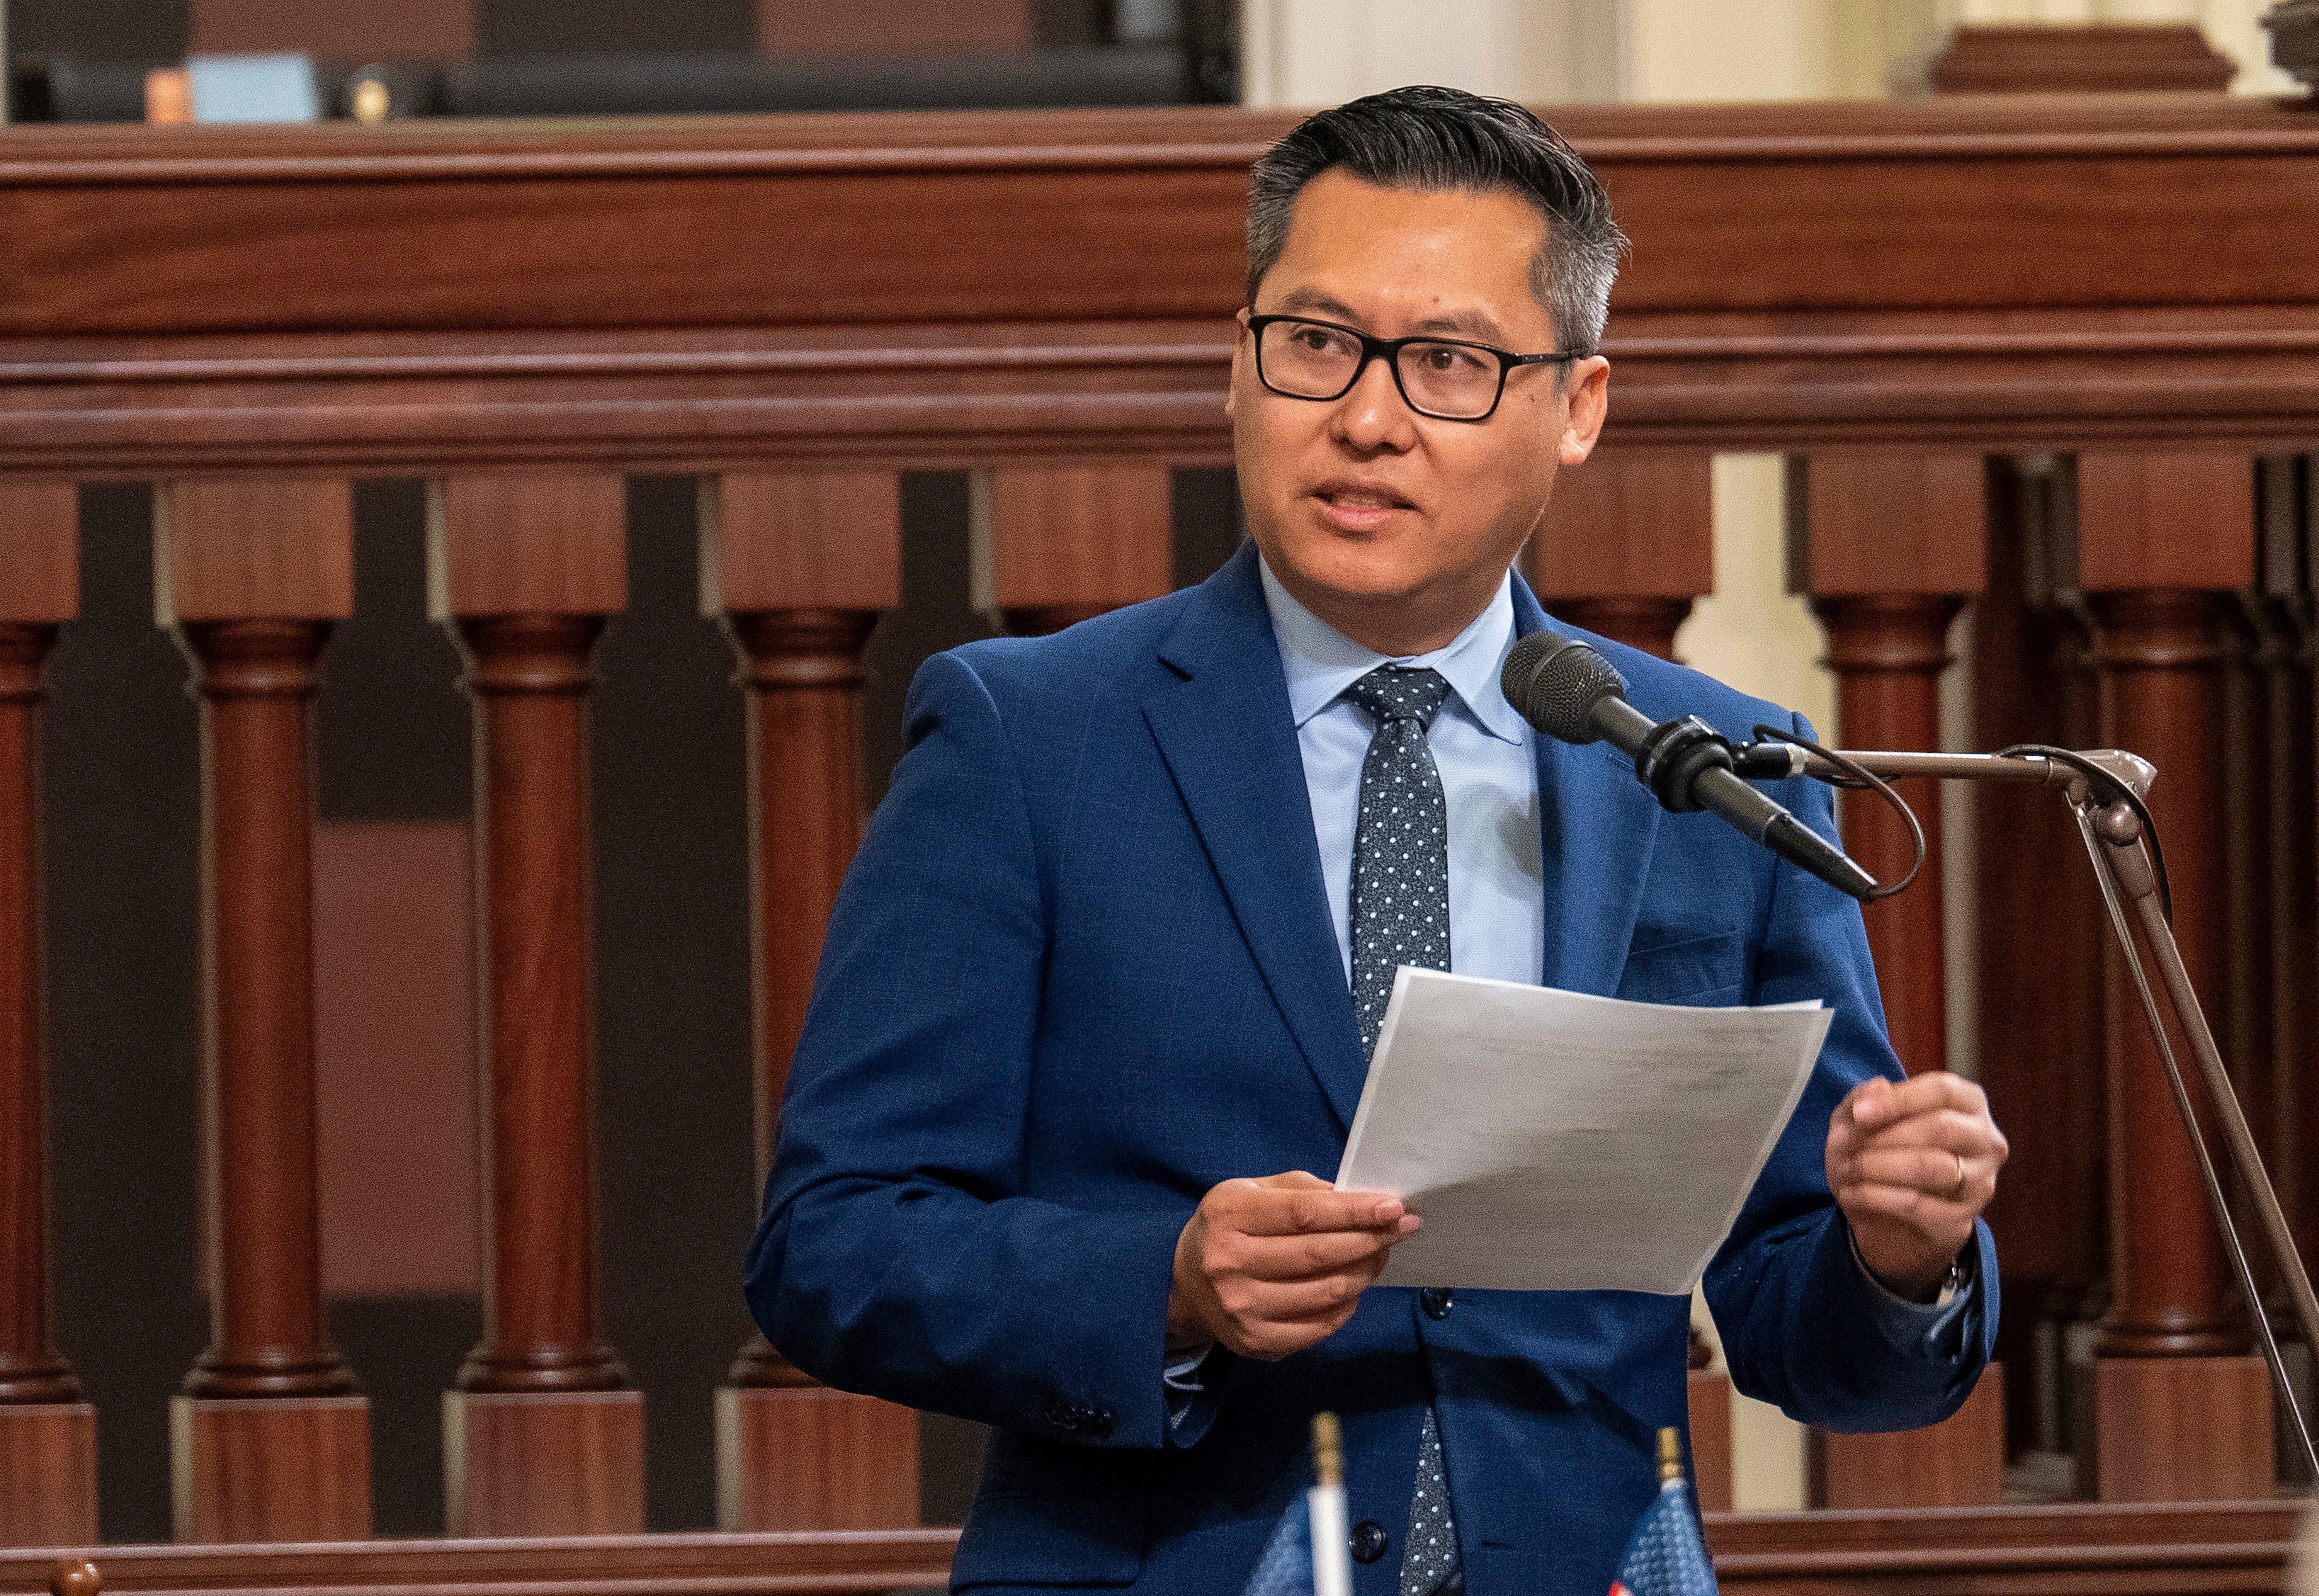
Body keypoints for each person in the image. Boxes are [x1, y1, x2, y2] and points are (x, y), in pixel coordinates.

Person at [744, 86, 2005, 1596]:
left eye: (1450, 363)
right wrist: (1168, 1284)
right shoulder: (1030, 738)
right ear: (1239, 362)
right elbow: (833, 1243)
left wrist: (1895, 1251)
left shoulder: (1703, 769)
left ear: (1580, 406)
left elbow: (1835, 1350)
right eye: (1317, 342)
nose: (1366, 416)